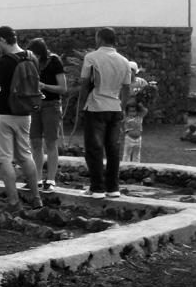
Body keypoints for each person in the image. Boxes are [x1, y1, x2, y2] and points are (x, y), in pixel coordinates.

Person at [0, 26, 41, 214]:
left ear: (3, 40)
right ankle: (36, 197)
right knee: (25, 155)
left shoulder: (4, 61)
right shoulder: (32, 57)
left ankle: (14, 202)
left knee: (4, 158)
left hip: (5, 113)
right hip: (25, 113)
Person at [76, 27, 132, 198]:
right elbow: (127, 88)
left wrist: (80, 107)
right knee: (113, 150)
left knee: (95, 149)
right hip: (115, 107)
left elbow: (85, 84)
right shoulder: (124, 61)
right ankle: (113, 187)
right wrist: (122, 108)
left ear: (99, 39)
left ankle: (96, 188)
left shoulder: (91, 57)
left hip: (95, 107)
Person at [25, 38, 67, 193]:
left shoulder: (54, 61)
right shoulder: (30, 63)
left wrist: (44, 86)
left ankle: (50, 179)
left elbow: (62, 88)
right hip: (35, 105)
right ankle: (36, 179)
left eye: (35, 54)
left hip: (51, 105)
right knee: (35, 142)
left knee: (50, 142)